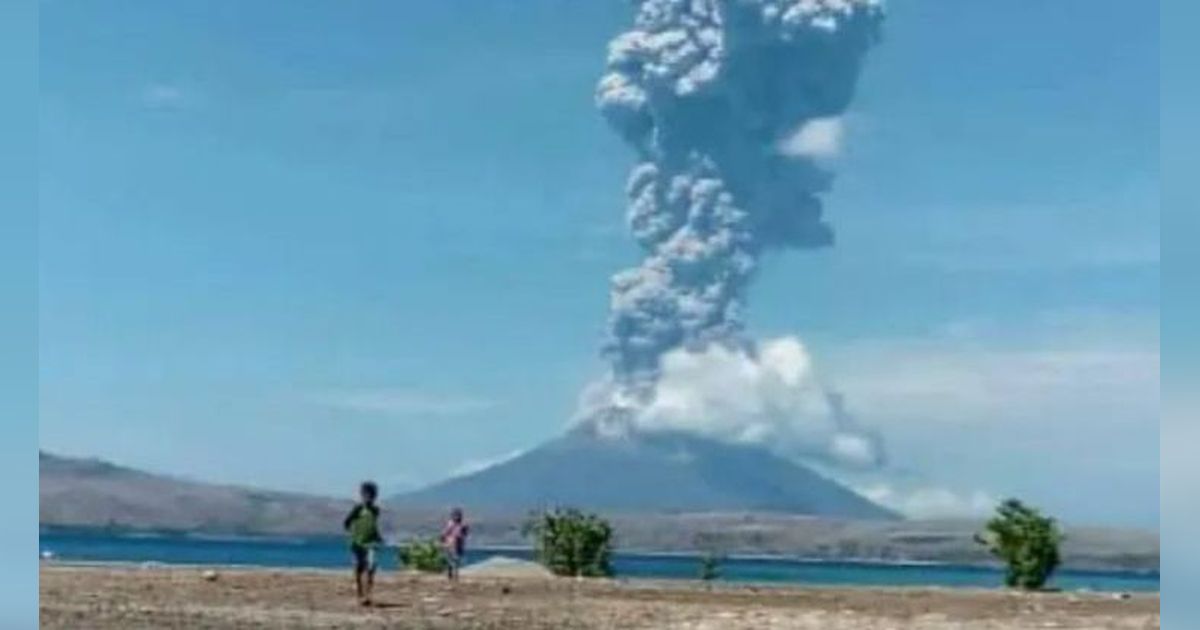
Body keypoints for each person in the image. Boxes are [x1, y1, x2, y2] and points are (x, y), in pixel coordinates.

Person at [343, 481, 383, 606]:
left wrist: (377, 536)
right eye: (365, 495)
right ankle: (360, 594)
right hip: (357, 542)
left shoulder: (376, 510)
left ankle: (368, 594)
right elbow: (346, 523)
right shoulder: (358, 508)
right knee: (359, 568)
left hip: (371, 542)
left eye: (371, 495)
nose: (368, 497)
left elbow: (373, 524)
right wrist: (354, 534)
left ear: (374, 496)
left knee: (371, 567)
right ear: (362, 495)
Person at [440, 507, 469, 581]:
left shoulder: (463, 524)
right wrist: (443, 540)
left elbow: (465, 533)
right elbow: (445, 533)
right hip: (450, 543)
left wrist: (461, 536)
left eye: (458, 515)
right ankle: (451, 573)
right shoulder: (450, 523)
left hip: (458, 543)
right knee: (451, 559)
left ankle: (455, 575)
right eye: (455, 515)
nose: (457, 517)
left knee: (456, 559)